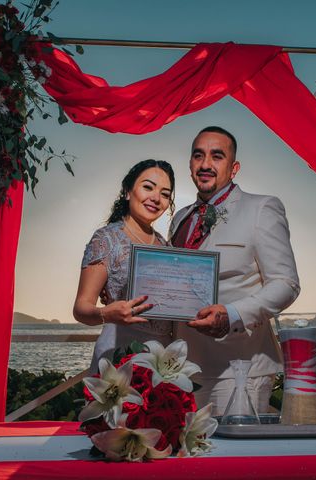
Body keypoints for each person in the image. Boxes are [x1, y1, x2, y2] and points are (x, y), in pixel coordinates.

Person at [169, 126, 300, 415]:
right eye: (198, 156)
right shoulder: (180, 218)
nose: (205, 164)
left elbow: (286, 283)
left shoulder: (261, 208)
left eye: (217, 156)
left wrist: (233, 315)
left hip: (239, 369)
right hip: (181, 368)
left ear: (234, 167)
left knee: (233, 459)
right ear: (190, 164)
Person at [74, 159, 175, 372]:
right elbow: (81, 308)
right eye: (148, 187)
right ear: (128, 191)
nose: (156, 198)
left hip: (163, 360)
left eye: (165, 194)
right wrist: (105, 314)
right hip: (119, 353)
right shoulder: (106, 239)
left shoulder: (166, 246)